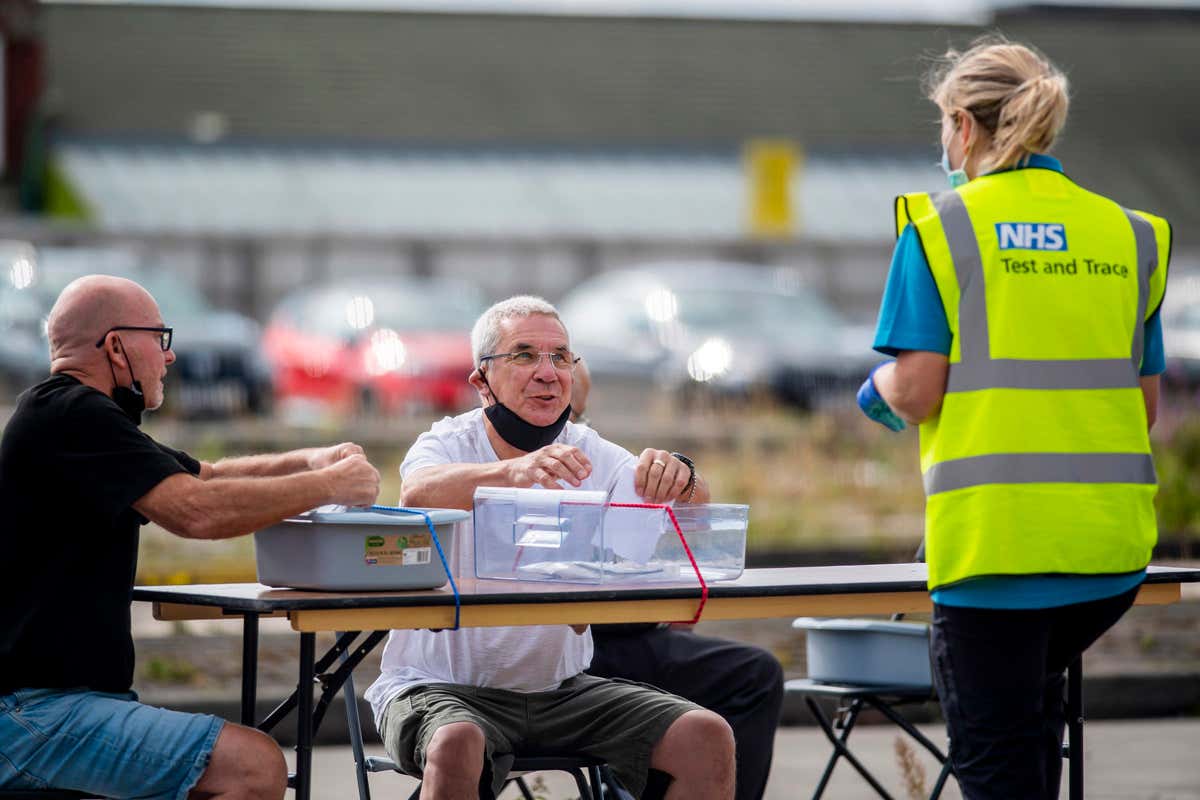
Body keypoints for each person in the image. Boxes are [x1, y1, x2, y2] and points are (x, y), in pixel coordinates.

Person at [856, 38, 1170, 800]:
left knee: (997, 769)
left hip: (996, 554)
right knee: (1034, 750)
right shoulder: (1130, 235)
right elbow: (1146, 405)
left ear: (964, 126)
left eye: (943, 126)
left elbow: (919, 387)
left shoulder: (938, 227)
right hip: (1108, 556)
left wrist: (876, 389)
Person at [0, 275, 382, 800]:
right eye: (159, 338)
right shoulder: (72, 414)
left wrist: (312, 459)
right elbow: (196, 511)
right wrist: (330, 485)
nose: (170, 355)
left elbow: (207, 477)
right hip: (34, 713)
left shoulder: (74, 417)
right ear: (116, 346)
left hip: (52, 707)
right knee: (252, 767)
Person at [365, 296, 735, 800]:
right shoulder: (447, 442)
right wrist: (511, 472)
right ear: (481, 381)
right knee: (456, 741)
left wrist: (684, 476)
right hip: (435, 687)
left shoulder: (592, 450)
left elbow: (693, 515)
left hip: (560, 691)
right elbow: (418, 492)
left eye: (561, 357)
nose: (548, 372)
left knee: (706, 736)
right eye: (524, 355)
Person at [570, 357, 785, 800]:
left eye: (581, 414)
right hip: (556, 645)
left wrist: (684, 478)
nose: (577, 425)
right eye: (571, 413)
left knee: (753, 673)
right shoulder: (491, 456)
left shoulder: (598, 455)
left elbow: (689, 505)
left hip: (619, 635)